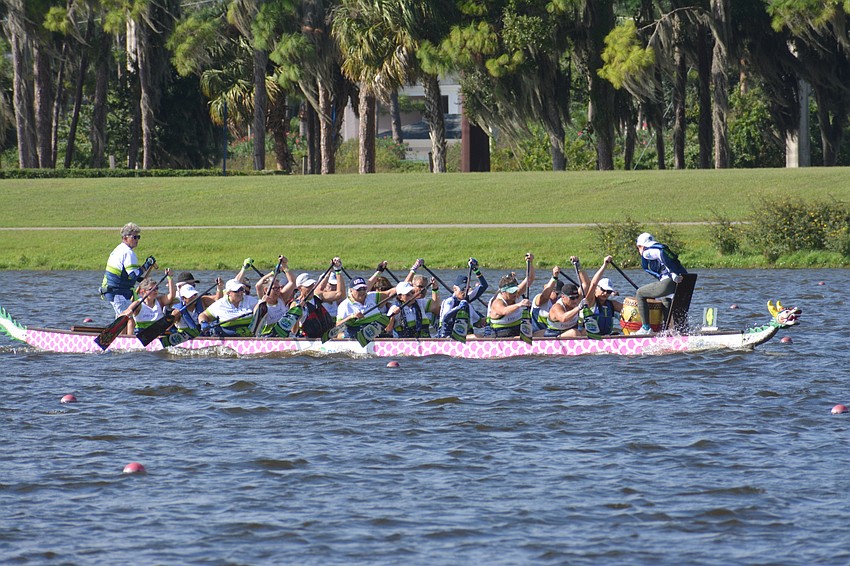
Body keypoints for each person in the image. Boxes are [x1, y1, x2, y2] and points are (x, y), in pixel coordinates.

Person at [634, 232, 688, 335]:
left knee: (640, 293)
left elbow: (660, 253)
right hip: (684, 281)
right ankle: (672, 330)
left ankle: (646, 328)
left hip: (670, 281)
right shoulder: (661, 247)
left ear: (641, 246)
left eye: (638, 248)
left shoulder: (647, 251)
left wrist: (672, 273)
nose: (639, 250)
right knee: (665, 299)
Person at [101, 222, 155, 318]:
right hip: (117, 292)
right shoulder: (128, 253)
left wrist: (140, 279)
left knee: (126, 318)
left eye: (138, 237)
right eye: (134, 237)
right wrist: (147, 265)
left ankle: (123, 333)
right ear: (125, 238)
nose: (137, 240)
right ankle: (123, 333)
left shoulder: (119, 249)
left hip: (115, 290)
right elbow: (133, 275)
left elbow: (127, 274)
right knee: (127, 318)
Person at [486, 253, 535, 338]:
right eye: (511, 292)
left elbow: (530, 278)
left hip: (516, 331)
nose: (515, 294)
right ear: (503, 292)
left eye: (515, 291)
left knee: (542, 333)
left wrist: (530, 262)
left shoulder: (516, 294)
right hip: (498, 335)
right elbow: (504, 311)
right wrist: (520, 304)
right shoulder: (497, 302)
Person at [437, 258, 488, 338]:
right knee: (477, 337)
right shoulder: (449, 301)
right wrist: (459, 307)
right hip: (449, 338)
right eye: (462, 289)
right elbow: (445, 317)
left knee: (488, 336)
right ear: (454, 289)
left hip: (465, 338)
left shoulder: (467, 301)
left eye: (467, 289)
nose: (465, 292)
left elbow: (484, 286)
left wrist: (475, 269)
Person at [580, 256, 623, 335]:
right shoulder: (591, 301)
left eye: (609, 291)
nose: (605, 293)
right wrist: (605, 265)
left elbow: (628, 310)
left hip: (606, 337)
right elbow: (593, 284)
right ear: (596, 289)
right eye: (603, 290)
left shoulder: (612, 304)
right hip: (592, 338)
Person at [126, 269, 176, 335]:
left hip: (158, 333)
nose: (155, 291)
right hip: (142, 335)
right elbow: (126, 313)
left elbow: (171, 296)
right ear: (143, 292)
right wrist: (127, 313)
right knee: (130, 321)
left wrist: (170, 277)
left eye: (156, 288)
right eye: (152, 289)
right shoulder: (138, 304)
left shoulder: (160, 301)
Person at [531, 265, 564, 336]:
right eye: (556, 293)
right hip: (537, 335)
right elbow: (545, 296)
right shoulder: (538, 299)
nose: (558, 296)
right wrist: (554, 277)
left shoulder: (561, 302)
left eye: (560, 294)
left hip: (554, 335)